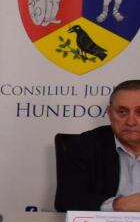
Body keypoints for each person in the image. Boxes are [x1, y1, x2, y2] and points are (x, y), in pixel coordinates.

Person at [55, 79, 140, 211]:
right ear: (110, 113)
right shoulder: (84, 145)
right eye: (122, 112)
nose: (131, 122)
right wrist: (118, 205)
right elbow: (66, 200)